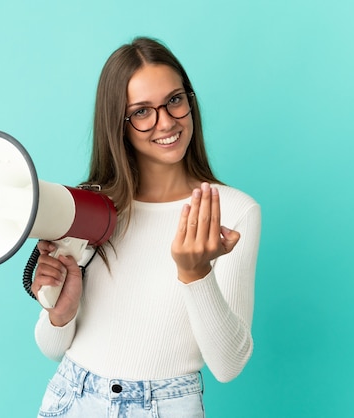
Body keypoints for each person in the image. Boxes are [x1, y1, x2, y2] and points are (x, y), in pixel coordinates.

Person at [30, 37, 261, 417]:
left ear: (190, 100)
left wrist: (195, 273)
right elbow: (52, 347)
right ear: (117, 124)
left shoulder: (234, 212)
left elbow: (228, 365)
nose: (166, 122)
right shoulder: (91, 207)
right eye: (141, 112)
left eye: (174, 100)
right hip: (73, 397)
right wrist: (61, 311)